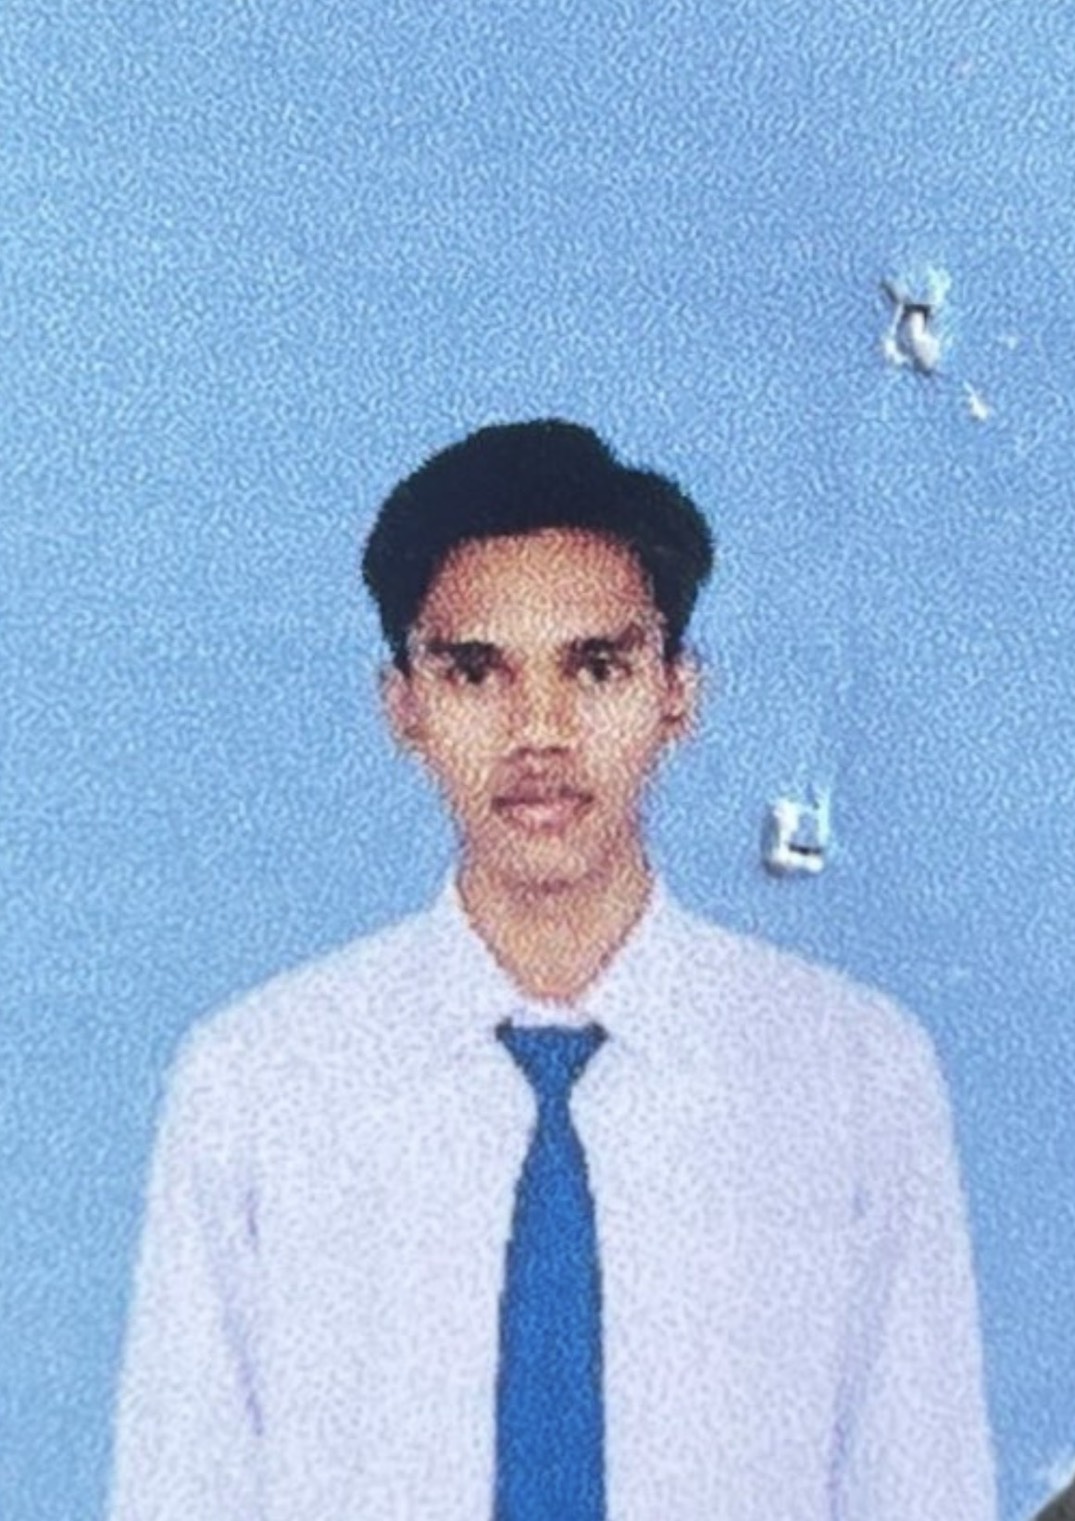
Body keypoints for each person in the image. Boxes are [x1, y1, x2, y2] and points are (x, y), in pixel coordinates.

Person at [109, 419, 996, 1520]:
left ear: (677, 692)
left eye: (597, 667)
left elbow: (921, 1487)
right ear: (403, 706)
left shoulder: (853, 1074)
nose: (539, 731)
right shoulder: (256, 1084)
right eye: (476, 671)